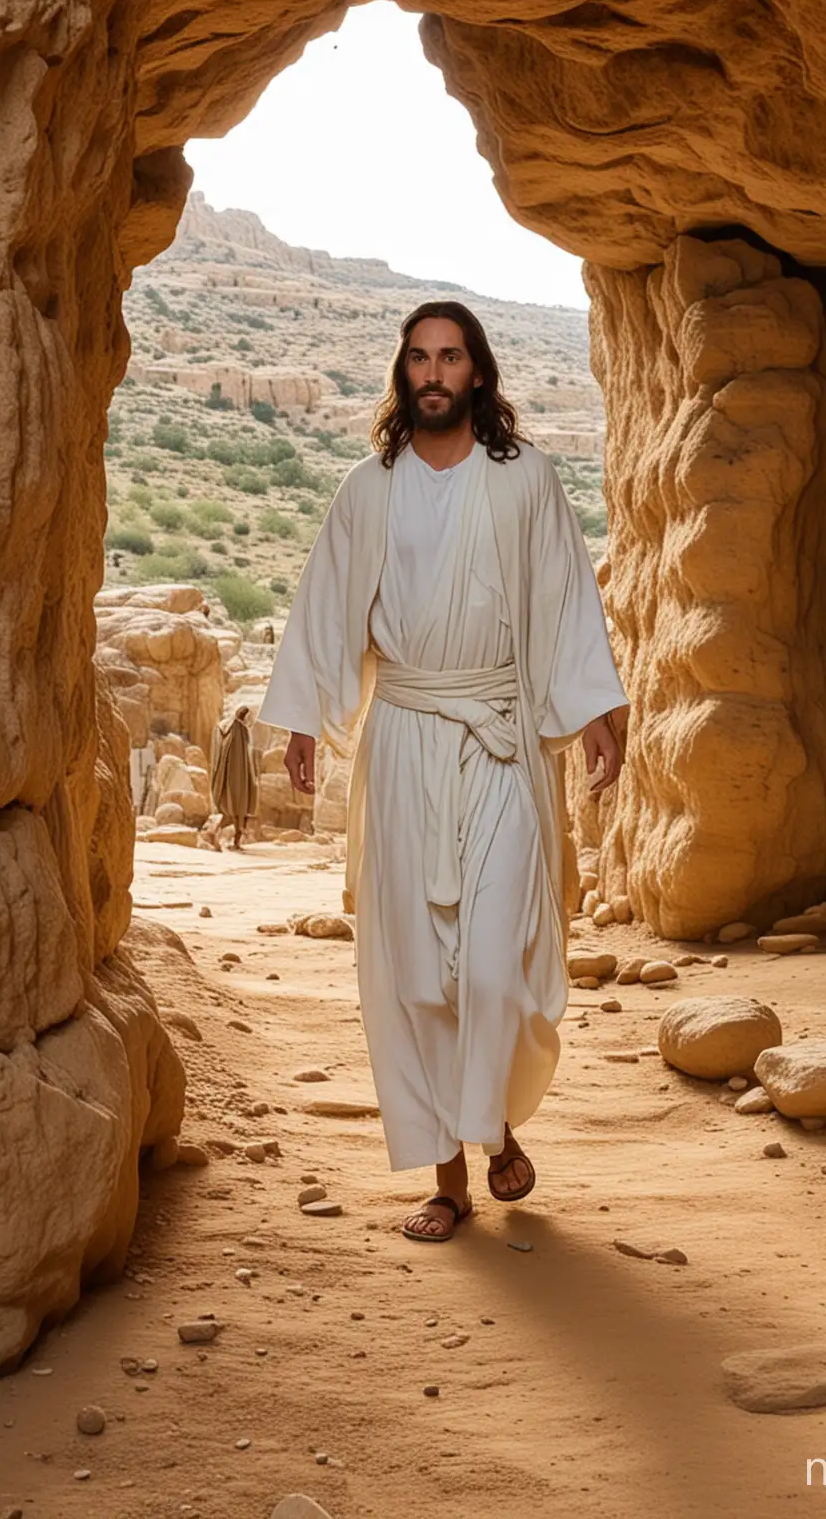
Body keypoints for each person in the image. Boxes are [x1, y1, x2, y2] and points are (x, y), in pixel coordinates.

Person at [259, 301, 627, 1243]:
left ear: (478, 373)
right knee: (420, 974)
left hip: (500, 732)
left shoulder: (525, 483)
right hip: (409, 737)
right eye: (419, 358)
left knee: (496, 961)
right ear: (403, 375)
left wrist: (596, 706)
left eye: (450, 357)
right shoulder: (367, 491)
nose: (433, 373)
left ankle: (493, 1116)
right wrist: (303, 716)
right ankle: (456, 1173)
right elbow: (327, 608)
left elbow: (567, 598)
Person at [206, 704, 258, 852]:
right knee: (239, 812)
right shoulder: (239, 730)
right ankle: (219, 836)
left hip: (225, 778)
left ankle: (225, 839)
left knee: (231, 813)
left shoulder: (222, 727)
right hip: (238, 779)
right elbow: (244, 757)